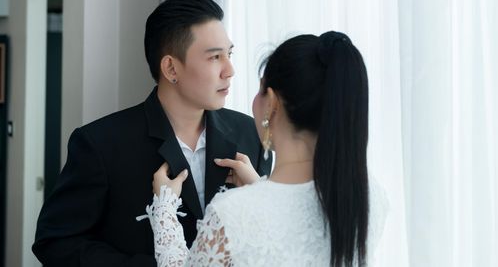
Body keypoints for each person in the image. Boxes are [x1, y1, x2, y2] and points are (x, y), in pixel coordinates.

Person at [33, 0, 271, 267]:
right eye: (215, 57)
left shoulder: (250, 134)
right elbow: (55, 242)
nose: (229, 70)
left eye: (229, 54)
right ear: (171, 68)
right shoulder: (100, 143)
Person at [145, 31, 388, 266]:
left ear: (271, 103)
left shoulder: (232, 214)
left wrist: (165, 210)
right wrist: (259, 188)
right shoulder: (366, 195)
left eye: (260, 89)